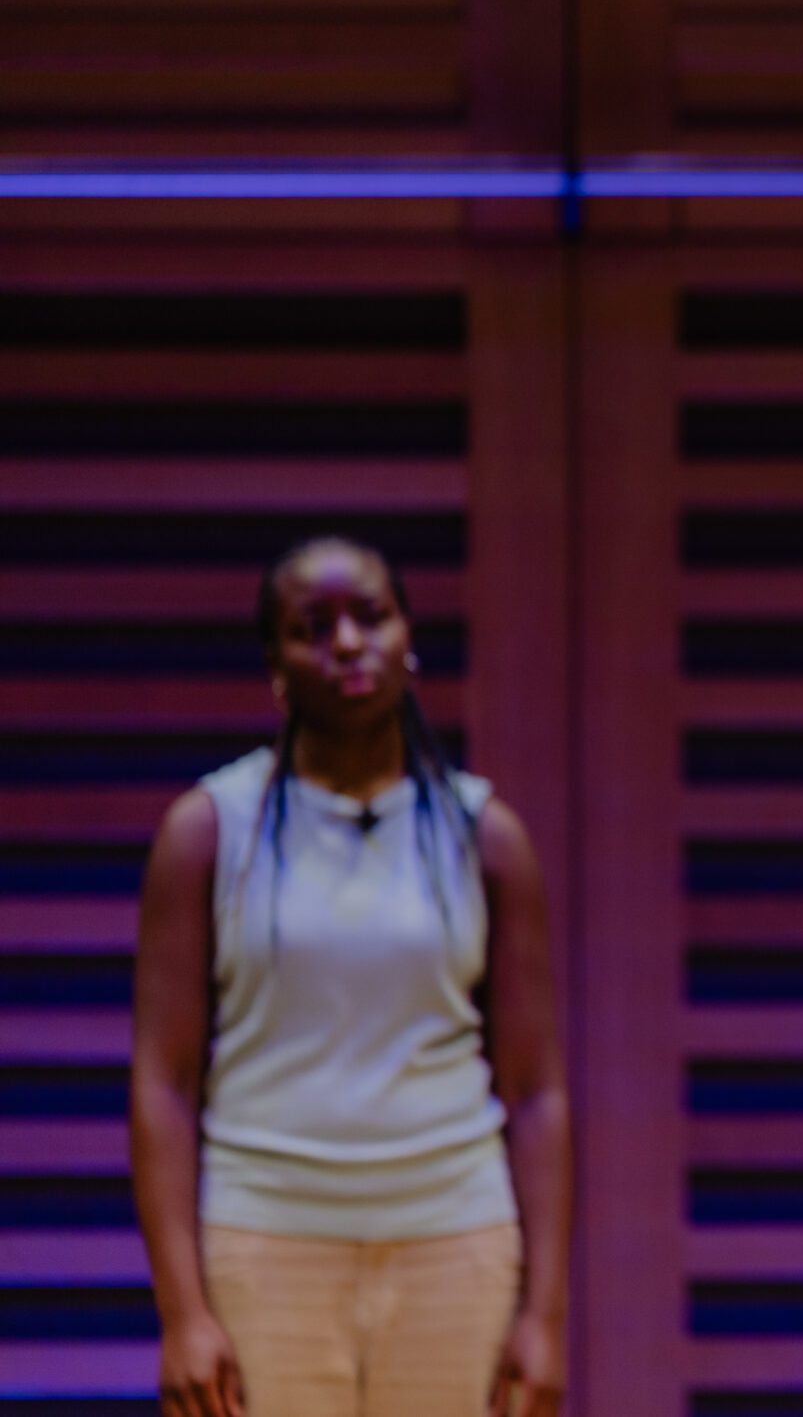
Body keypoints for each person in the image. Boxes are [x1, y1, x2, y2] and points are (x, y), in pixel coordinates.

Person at [130, 537, 571, 1417]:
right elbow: (164, 1084)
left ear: (408, 640)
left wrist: (546, 1315)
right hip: (262, 1243)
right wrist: (182, 1313)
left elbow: (535, 1092)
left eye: (370, 616)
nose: (345, 641)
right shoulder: (207, 832)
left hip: (456, 1241)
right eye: (311, 626)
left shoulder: (485, 836)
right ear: (275, 666)